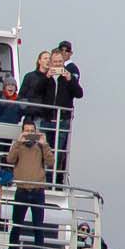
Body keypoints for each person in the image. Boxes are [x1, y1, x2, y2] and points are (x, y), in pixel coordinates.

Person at [5, 118, 55, 249]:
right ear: (22, 132)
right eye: (27, 131)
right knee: (16, 227)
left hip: (38, 192)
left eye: (32, 131)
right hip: (21, 191)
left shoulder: (41, 146)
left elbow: (51, 162)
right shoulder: (18, 146)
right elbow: (9, 159)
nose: (29, 134)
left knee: (38, 227)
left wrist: (44, 143)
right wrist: (18, 142)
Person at [49, 43, 83, 175]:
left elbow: (79, 93)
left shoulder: (71, 69)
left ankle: (54, 178)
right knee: (43, 148)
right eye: (61, 50)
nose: (64, 52)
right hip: (46, 116)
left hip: (62, 116)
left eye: (66, 51)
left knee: (58, 150)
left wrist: (69, 79)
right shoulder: (47, 73)